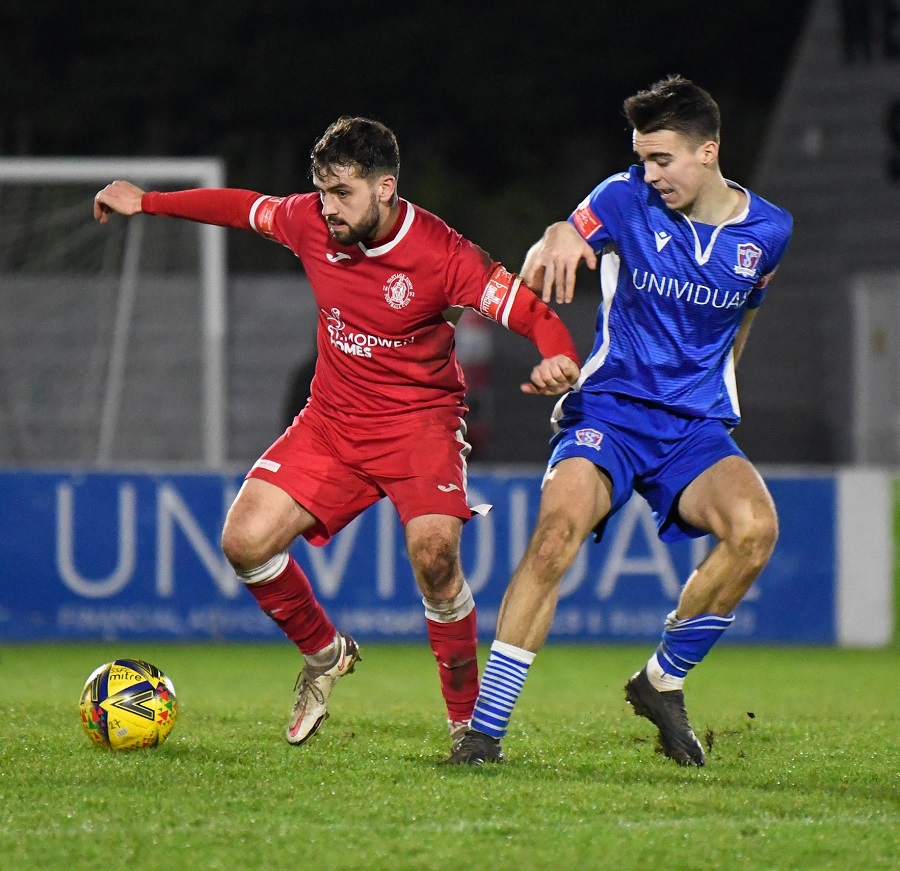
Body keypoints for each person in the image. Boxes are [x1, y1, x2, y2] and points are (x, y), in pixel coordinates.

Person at [93, 116, 581, 751]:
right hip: (332, 423)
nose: (326, 209)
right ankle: (325, 654)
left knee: (435, 557)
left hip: (420, 426)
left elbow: (531, 310)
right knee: (244, 542)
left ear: (385, 188)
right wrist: (147, 202)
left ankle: (466, 725)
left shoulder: (442, 253)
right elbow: (242, 209)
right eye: (321, 192)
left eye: (341, 193)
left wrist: (557, 354)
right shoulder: (310, 223)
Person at [448, 75, 793, 767]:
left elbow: (743, 318)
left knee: (755, 531)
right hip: (609, 409)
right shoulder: (623, 197)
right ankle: (484, 735)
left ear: (708, 151)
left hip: (692, 426)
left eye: (662, 158)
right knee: (554, 534)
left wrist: (719, 393)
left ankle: (661, 681)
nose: (650, 172)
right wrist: (554, 241)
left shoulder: (769, 233)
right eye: (642, 157)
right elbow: (566, 231)